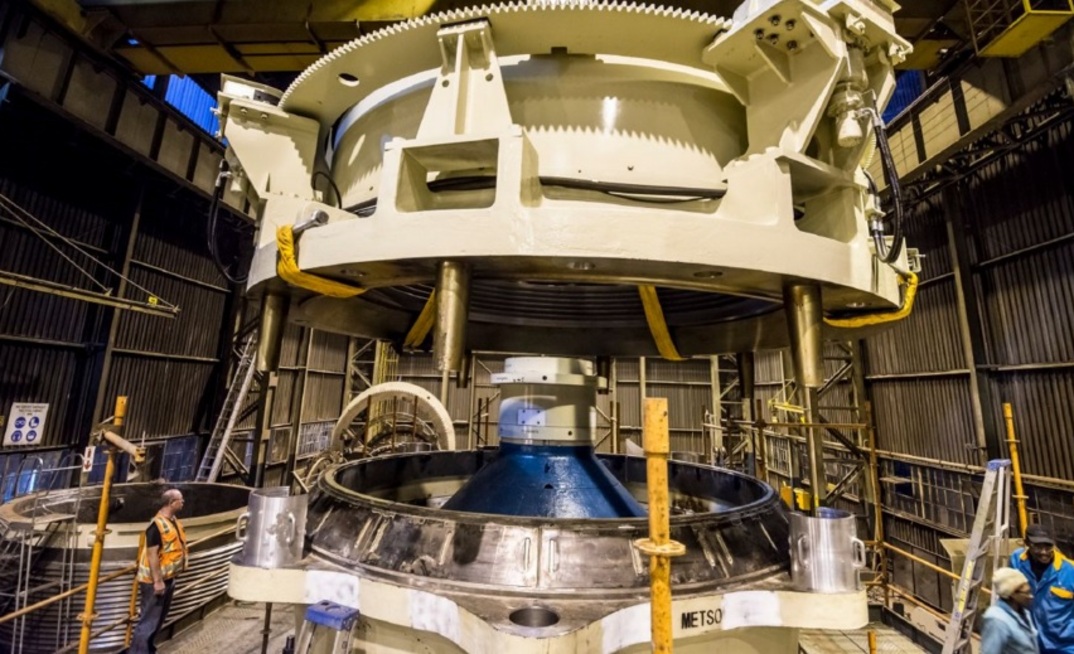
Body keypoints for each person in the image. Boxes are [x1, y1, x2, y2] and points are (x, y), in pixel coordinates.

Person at [130, 488, 187, 654]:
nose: (183, 502)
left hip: (168, 578)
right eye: (180, 500)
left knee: (156, 621)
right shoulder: (156, 526)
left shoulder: (172, 521)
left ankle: (148, 650)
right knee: (148, 622)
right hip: (155, 582)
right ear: (171, 503)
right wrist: (158, 581)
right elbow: (152, 555)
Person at [1009, 524, 1074, 654]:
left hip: (1064, 646)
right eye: (1038, 546)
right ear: (1026, 543)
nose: (1044, 552)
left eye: (1048, 546)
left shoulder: (1070, 571)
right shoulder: (1017, 561)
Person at [981, 567, 1039, 654]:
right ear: (1012, 594)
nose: (1031, 596)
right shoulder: (996, 620)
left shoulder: (1024, 612)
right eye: (1027, 593)